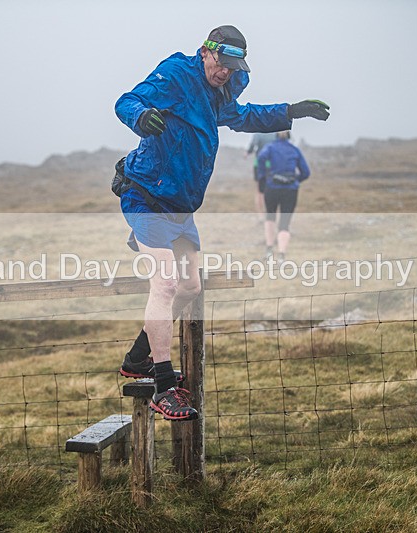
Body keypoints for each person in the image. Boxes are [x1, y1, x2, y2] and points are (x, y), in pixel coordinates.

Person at [114, 25, 329, 421]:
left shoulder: (220, 93)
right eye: (221, 63)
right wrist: (141, 117)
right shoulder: (177, 75)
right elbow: (127, 100)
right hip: (146, 196)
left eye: (233, 67)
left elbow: (243, 116)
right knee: (165, 284)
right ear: (206, 52)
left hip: (181, 207)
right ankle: (164, 388)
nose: (225, 72)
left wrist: (289, 112)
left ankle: (138, 358)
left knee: (190, 287)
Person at [258, 131, 311, 263]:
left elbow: (261, 158)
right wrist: (296, 180)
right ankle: (281, 255)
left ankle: (269, 250)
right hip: (290, 189)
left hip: (272, 187)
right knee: (284, 223)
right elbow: (306, 172)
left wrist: (263, 177)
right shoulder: (294, 150)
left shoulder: (270, 148)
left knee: (270, 216)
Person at [246, 132, 276, 220]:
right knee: (272, 189)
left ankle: (260, 215)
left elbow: (253, 144)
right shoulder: (275, 131)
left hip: (259, 165)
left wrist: (248, 152)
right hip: (273, 165)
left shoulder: (258, 132)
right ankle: (270, 213)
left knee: (259, 191)